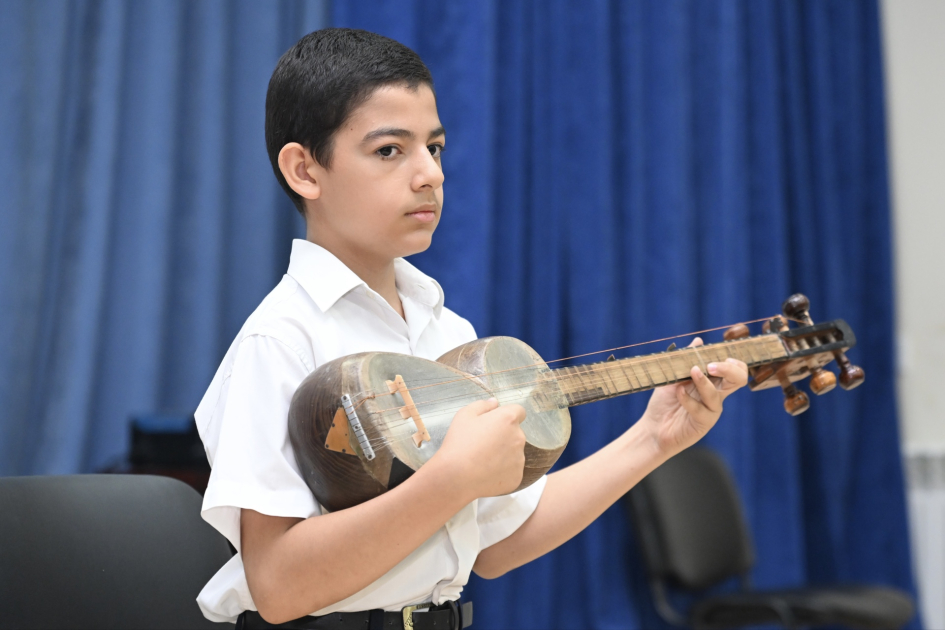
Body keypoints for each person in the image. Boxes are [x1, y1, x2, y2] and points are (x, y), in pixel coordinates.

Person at [194, 28, 749, 630]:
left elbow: (493, 545)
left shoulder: (444, 329)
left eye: (434, 147)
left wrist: (655, 438)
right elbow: (277, 586)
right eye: (389, 151)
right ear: (305, 169)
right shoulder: (279, 339)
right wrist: (451, 479)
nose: (428, 174)